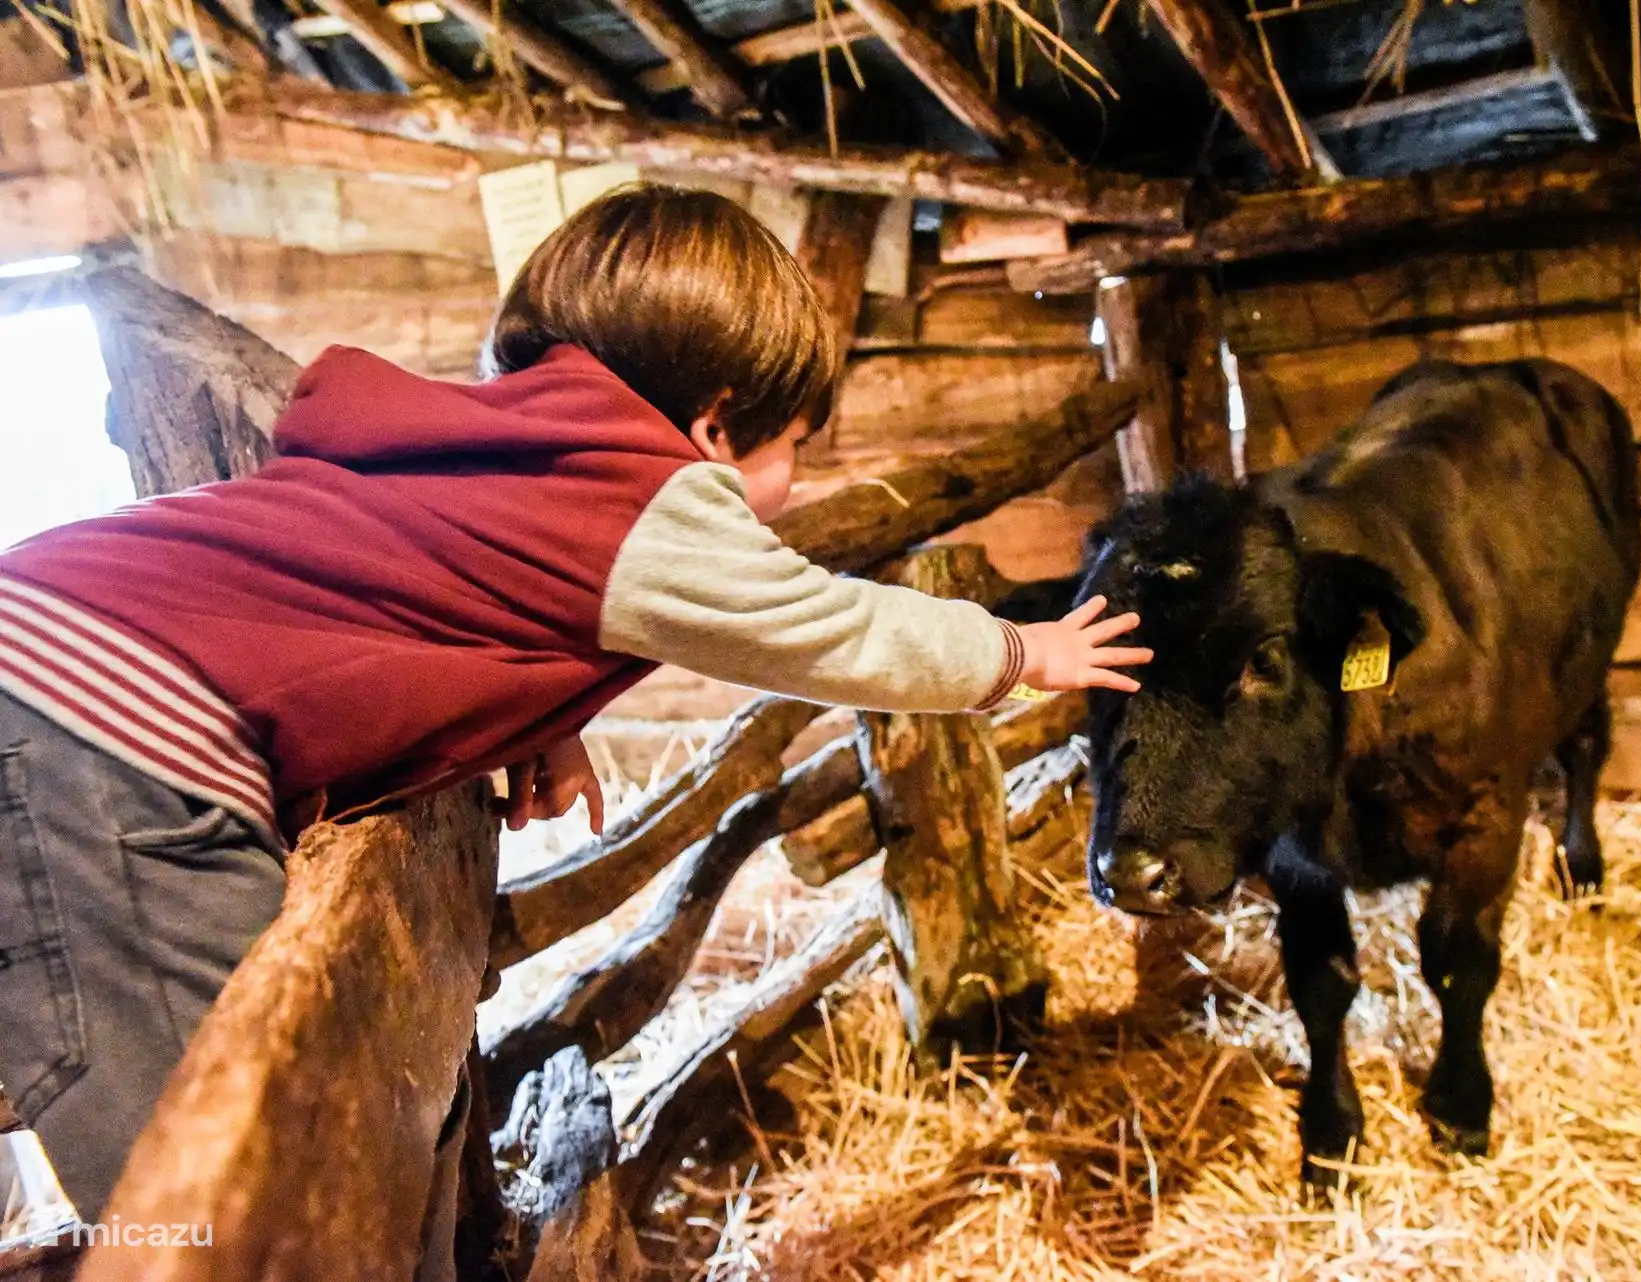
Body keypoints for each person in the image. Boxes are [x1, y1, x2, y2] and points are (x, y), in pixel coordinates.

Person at [0, 184, 1149, 1224]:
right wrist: (1019, 650)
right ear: (714, 424)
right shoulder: (649, 486)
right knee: (229, 1185)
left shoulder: (518, 458)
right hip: (102, 740)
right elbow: (833, 628)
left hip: (57, 666)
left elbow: (450, 587)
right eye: (794, 445)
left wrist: (547, 720)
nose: (790, 482)